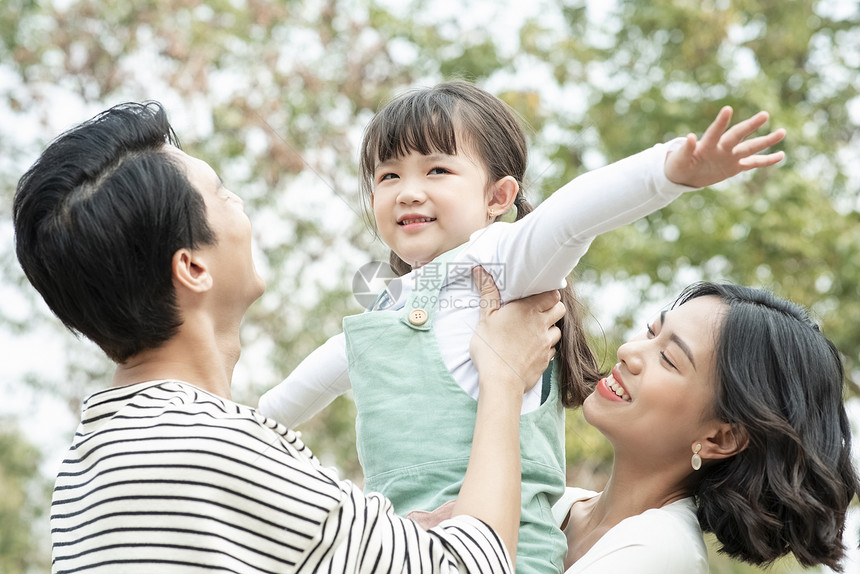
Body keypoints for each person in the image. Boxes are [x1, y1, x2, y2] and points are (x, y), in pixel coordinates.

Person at [13, 101, 567, 573]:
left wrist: (402, 538)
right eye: (223, 195)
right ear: (193, 268)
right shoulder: (215, 448)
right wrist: (501, 376)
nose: (244, 208)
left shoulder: (88, 466)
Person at [258, 80, 786, 573]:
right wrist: (240, 425)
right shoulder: (386, 309)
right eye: (388, 175)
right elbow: (303, 389)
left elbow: (573, 215)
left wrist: (668, 170)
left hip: (508, 557)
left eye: (437, 171)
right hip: (406, 552)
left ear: (498, 197)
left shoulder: (504, 265)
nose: (408, 191)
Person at [552, 282, 859, 573]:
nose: (628, 352)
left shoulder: (663, 547)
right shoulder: (555, 502)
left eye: (669, 359)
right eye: (650, 332)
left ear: (721, 438)